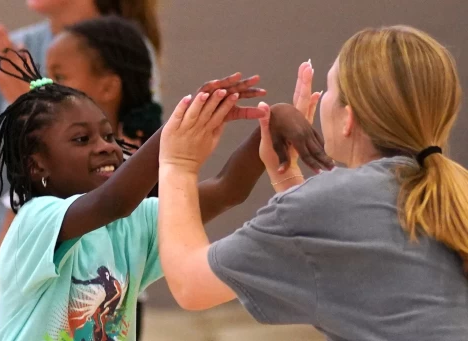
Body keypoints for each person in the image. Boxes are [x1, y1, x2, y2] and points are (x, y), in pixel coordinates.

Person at [0, 50, 331, 340]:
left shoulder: (132, 223)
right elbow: (113, 201)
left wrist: (274, 120)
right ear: (38, 166)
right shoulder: (34, 222)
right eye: (82, 139)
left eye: (108, 136)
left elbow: (228, 189)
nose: (106, 147)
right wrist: (177, 131)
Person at [157, 25, 468, 341]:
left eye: (330, 89)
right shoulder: (456, 193)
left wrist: (177, 164)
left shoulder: (333, 203)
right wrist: (288, 177)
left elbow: (189, 284)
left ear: (349, 118)